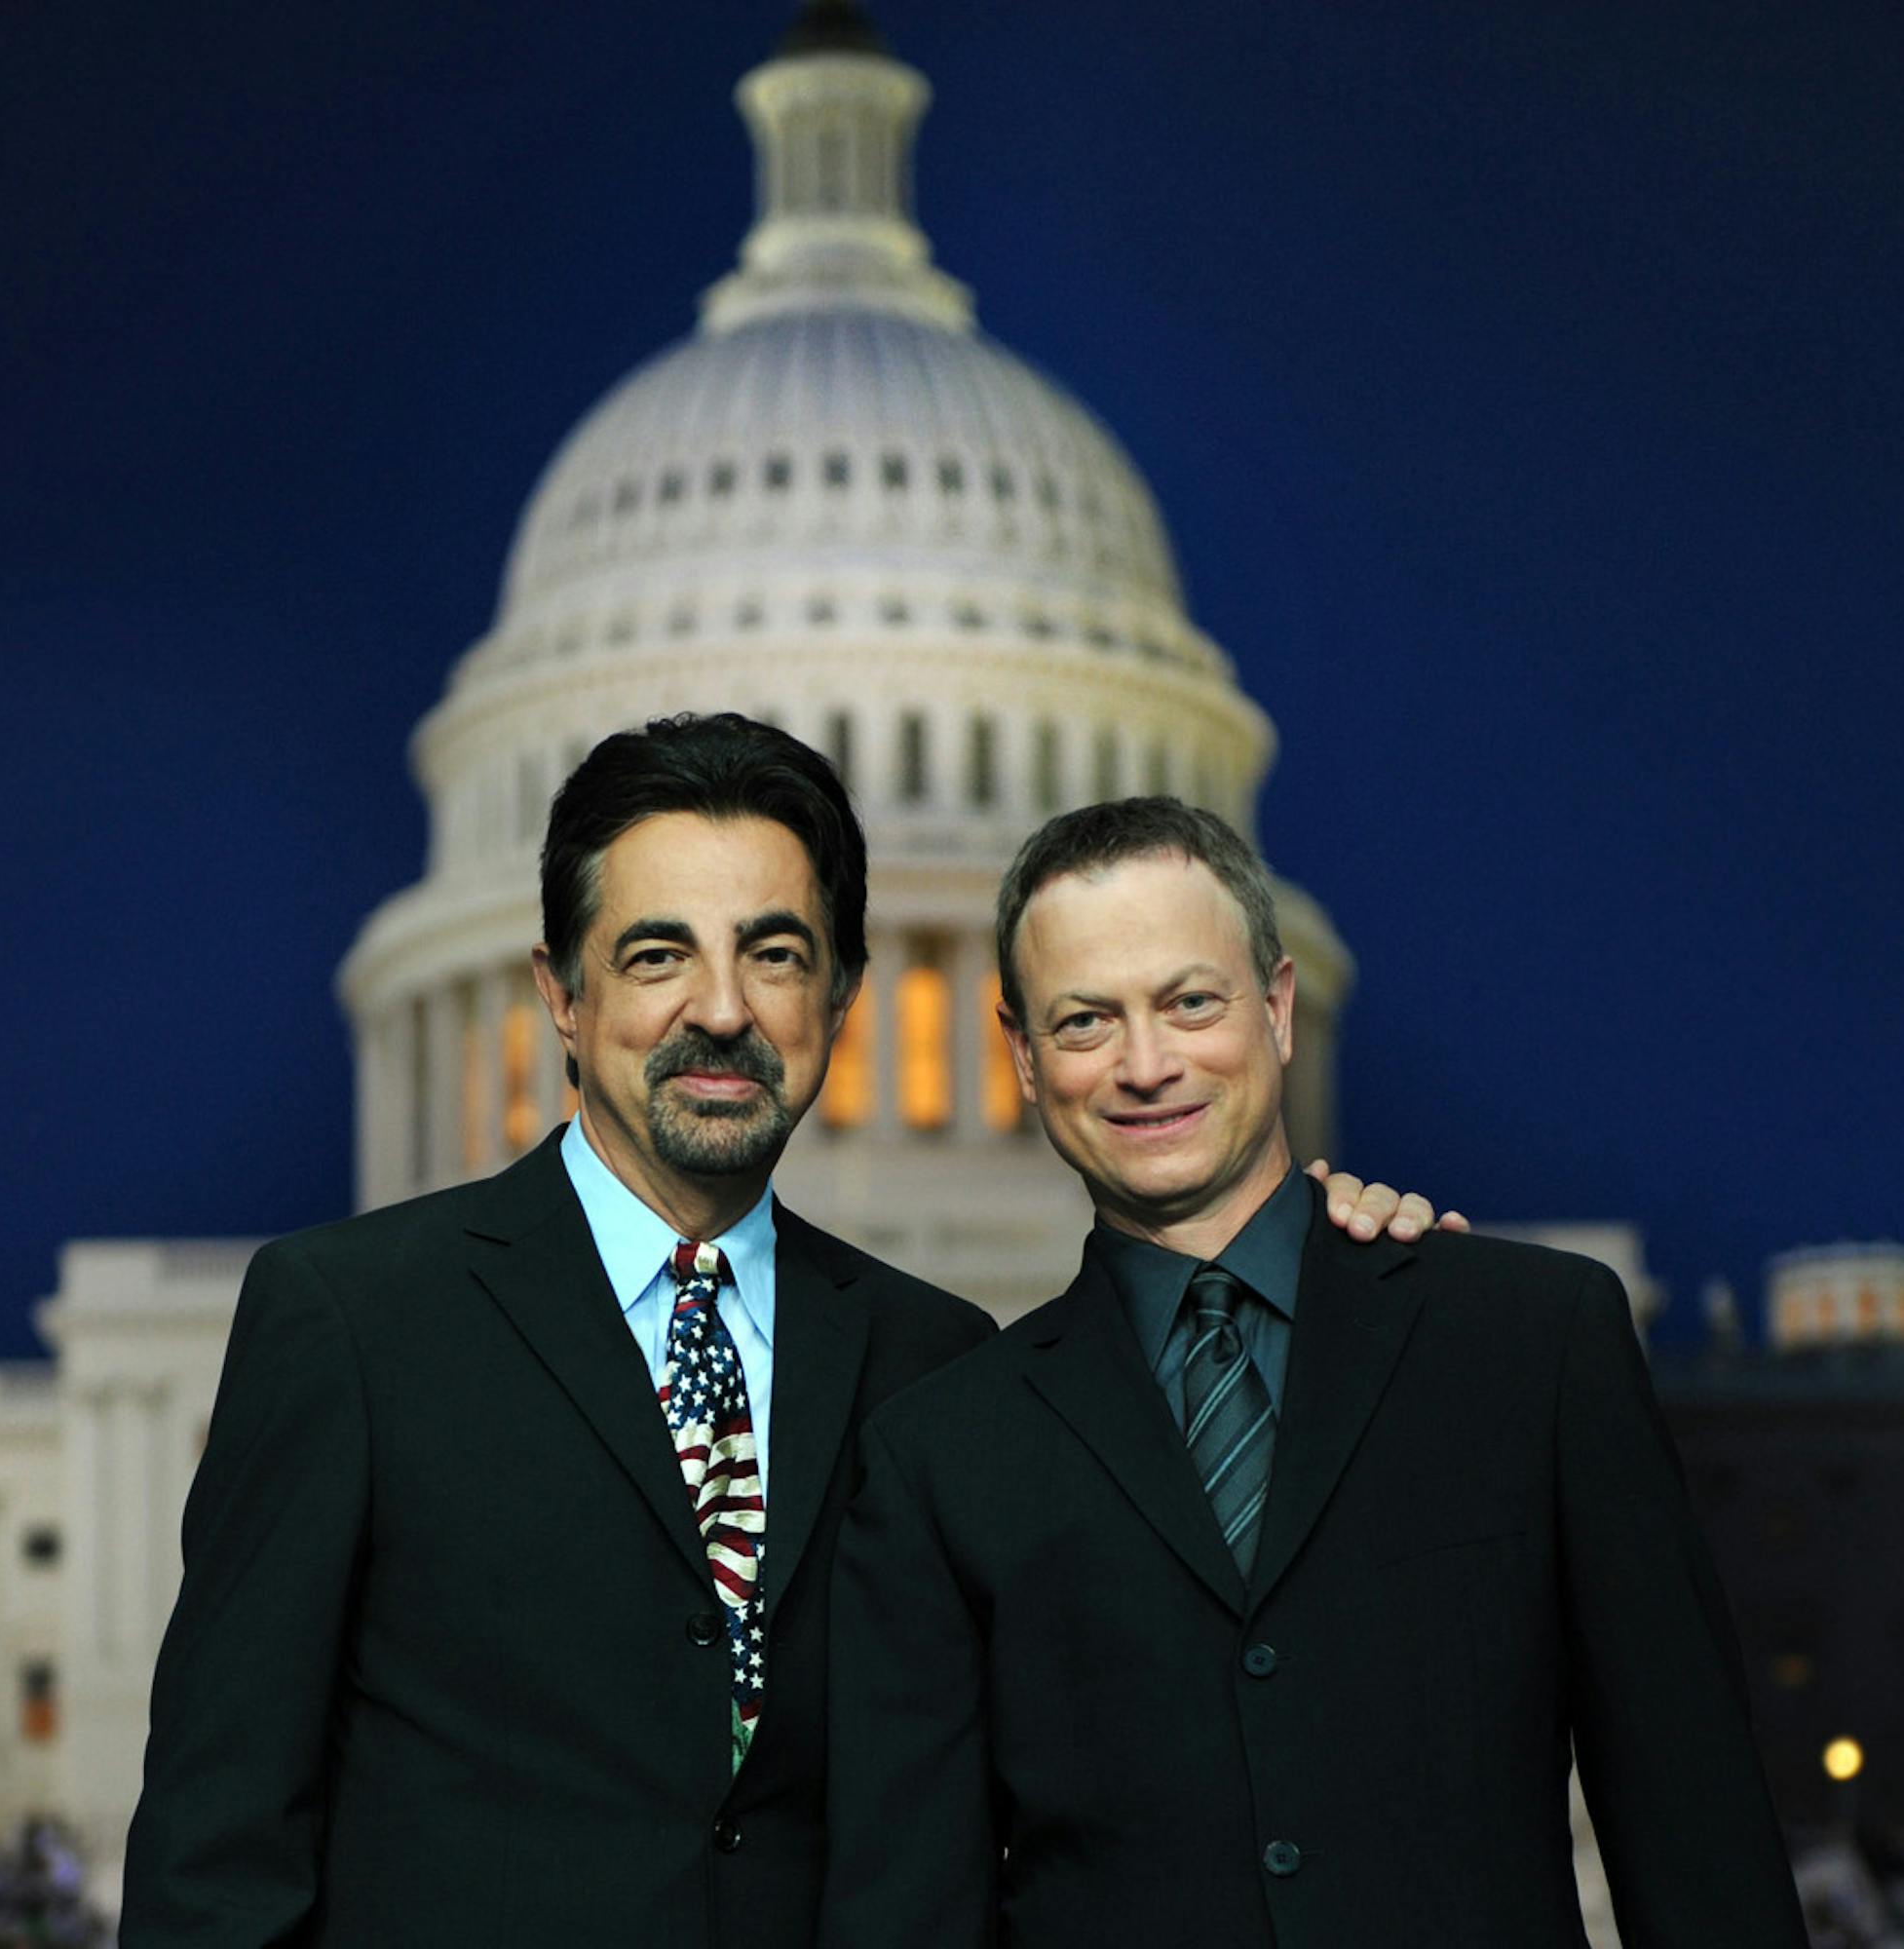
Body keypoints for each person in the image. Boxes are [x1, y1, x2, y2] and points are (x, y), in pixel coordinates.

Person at [119, 717, 1443, 1947]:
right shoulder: (354, 1319)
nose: (721, 1010)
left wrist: (1305, 1276)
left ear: (844, 998)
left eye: (775, 953)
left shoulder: (938, 1360)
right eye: (657, 954)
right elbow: (217, 1846)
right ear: (560, 993)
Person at [822, 796, 1809, 1948]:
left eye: (1191, 1001)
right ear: (1026, 1059)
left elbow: (1697, 1836)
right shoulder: (943, 1451)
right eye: (1087, 1020)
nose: (1148, 1064)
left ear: (1280, 1008)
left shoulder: (1530, 1342)